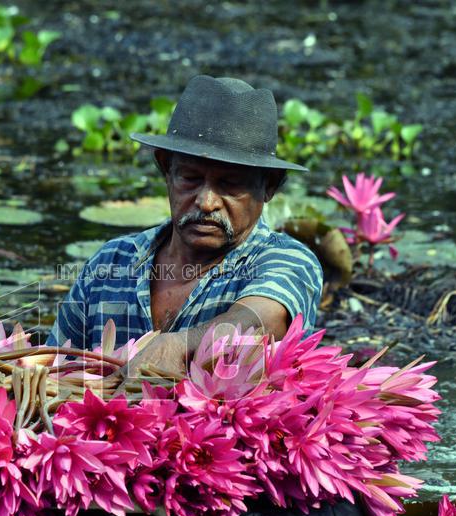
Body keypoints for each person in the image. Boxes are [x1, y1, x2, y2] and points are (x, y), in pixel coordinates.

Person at [47, 75, 324, 379]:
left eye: (229, 185)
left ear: (268, 187)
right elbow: (52, 364)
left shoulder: (287, 260)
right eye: (190, 179)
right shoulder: (111, 261)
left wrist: (181, 343)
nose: (206, 202)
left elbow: (260, 320)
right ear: (167, 170)